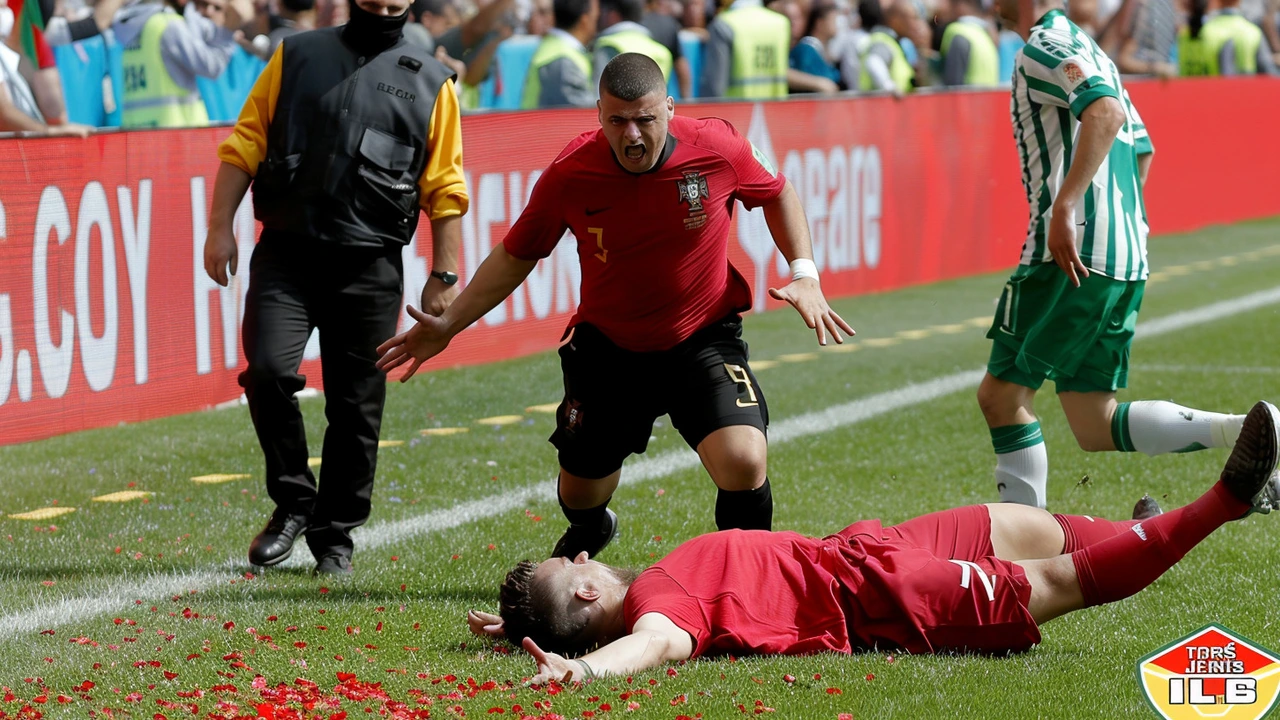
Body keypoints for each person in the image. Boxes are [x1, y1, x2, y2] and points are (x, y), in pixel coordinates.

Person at [377, 53, 853, 559]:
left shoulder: (717, 146)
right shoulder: (571, 172)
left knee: (743, 461)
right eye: (617, 120)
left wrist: (805, 274)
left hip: (703, 339)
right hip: (610, 351)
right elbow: (517, 254)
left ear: (669, 109)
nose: (632, 135)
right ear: (598, 115)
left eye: (645, 119)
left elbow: (777, 192)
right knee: (579, 491)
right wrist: (449, 323)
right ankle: (591, 527)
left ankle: (750, 574)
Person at [470, 401, 1280, 679]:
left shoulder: (629, 593)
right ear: (586, 591)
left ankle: (1144, 527)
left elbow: (582, 617)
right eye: (568, 563)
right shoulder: (657, 612)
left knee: (1036, 526)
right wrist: (580, 671)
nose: (579, 553)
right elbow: (644, 648)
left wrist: (525, 625)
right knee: (1062, 578)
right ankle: (1226, 498)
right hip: (884, 597)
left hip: (865, 549)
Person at [203, 0, 468, 575]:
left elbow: (445, 187)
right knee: (269, 373)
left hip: (371, 269)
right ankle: (294, 503)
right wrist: (218, 226)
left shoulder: (431, 80)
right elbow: (244, 144)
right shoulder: (294, 54)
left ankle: (335, 537)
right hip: (286, 257)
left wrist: (444, 277)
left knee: (357, 408)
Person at [977, 0, 1251, 510]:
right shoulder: (1095, 52)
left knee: (1002, 397)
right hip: (1126, 254)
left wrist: (1069, 205)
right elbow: (1142, 147)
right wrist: (1114, 224)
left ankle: (1021, 552)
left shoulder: (1045, 42)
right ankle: (1240, 430)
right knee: (1092, 421)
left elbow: (1106, 112)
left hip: (1071, 251)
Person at [113, 0, 248, 128]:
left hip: (139, 133)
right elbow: (212, 67)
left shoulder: (136, 24)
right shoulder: (168, 25)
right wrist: (227, 33)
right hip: (177, 133)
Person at [700, 0, 790, 98]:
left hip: (735, 109)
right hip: (776, 108)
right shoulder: (781, 23)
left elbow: (715, 86)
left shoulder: (723, 24)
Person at [520, 0, 597, 108]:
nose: (598, 19)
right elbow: (578, 114)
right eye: (595, 15)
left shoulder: (556, 48)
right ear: (585, 20)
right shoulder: (562, 60)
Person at [1178, 0, 1278, 75]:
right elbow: (1270, 76)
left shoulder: (1187, 34)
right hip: (1242, 98)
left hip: (1195, 99)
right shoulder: (1252, 32)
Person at [593, 0, 672, 94]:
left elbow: (598, 92)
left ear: (613, 15)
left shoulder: (608, 45)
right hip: (652, 108)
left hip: (618, 108)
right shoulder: (662, 51)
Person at [857, 0, 922, 93]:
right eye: (912, 18)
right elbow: (873, 62)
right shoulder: (882, 40)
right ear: (895, 19)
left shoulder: (893, 42)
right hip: (881, 106)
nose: (915, 24)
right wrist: (889, 88)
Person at [939, 0, 999, 85]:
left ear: (961, 3)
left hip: (966, 98)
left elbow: (952, 88)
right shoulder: (986, 37)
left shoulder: (958, 32)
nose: (942, 6)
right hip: (989, 98)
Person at [788, 0, 842, 91]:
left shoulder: (822, 50)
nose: (837, 25)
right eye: (833, 20)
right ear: (819, 23)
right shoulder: (807, 51)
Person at [640, 0, 691, 97]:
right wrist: (686, 101)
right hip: (659, 100)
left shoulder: (627, 24)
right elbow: (682, 67)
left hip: (627, 102)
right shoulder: (668, 23)